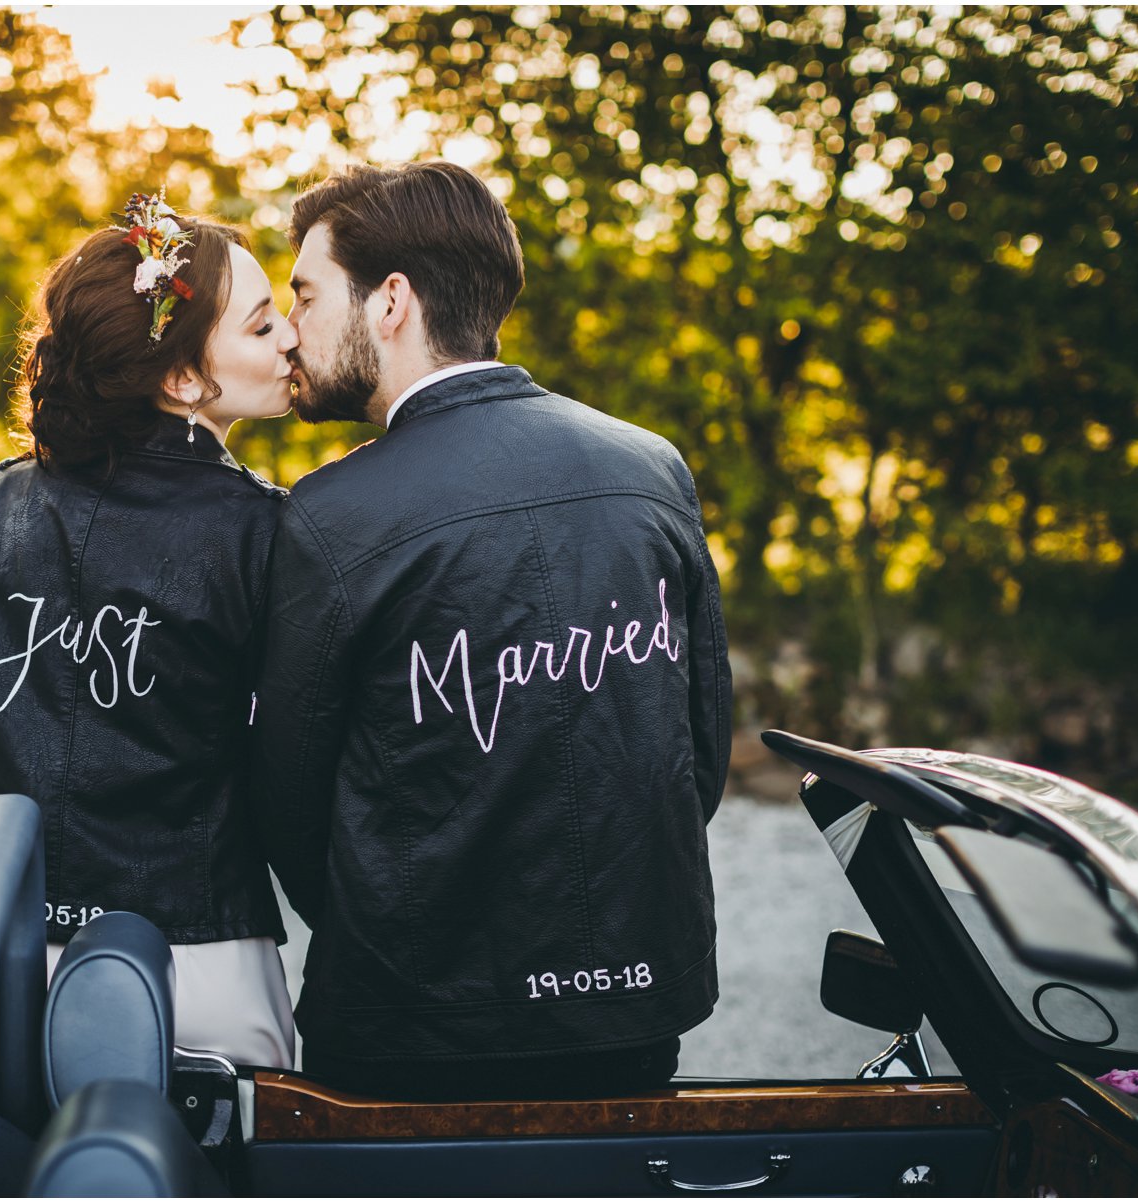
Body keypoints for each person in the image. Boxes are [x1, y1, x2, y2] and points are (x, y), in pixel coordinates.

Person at [250, 162, 731, 1101]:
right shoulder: (651, 466)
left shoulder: (333, 511)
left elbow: (289, 802)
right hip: (632, 1011)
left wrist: (390, 923)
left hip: (411, 1029)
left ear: (391, 301)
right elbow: (698, 749)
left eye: (306, 294)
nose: (292, 330)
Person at [0, 192, 298, 1067]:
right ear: (181, 379)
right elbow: (294, 764)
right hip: (201, 954)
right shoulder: (267, 530)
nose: (291, 336)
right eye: (261, 328)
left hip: (12, 956)